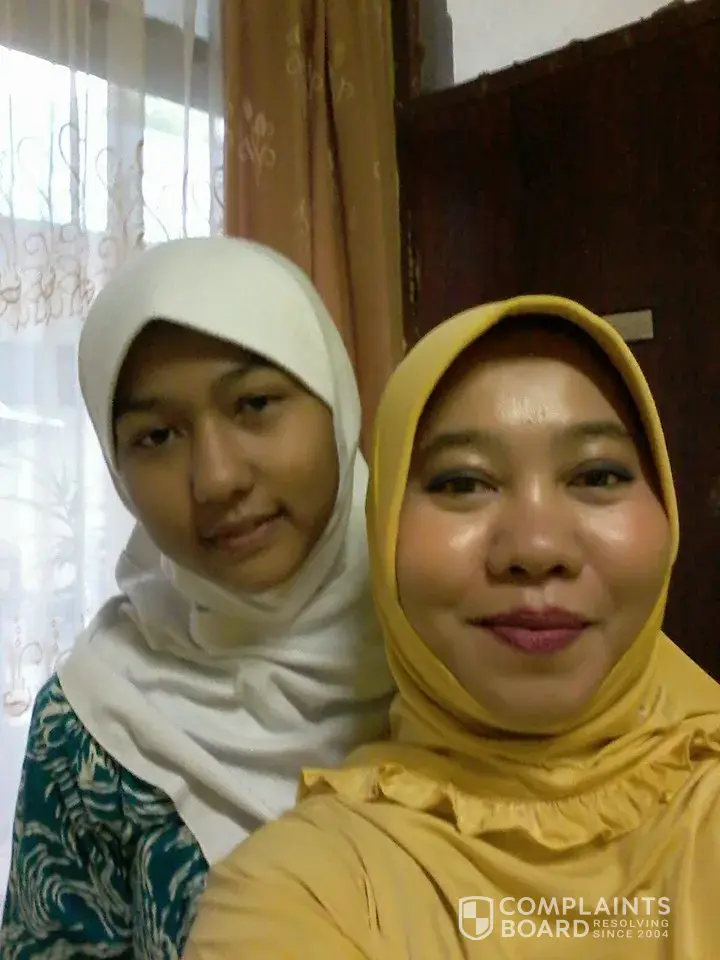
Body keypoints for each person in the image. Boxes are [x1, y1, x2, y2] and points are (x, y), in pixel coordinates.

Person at [183, 294, 720, 959]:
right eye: (464, 483)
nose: (537, 547)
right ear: (382, 531)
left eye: (597, 474)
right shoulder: (302, 891)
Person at [0, 237, 395, 958]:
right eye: (156, 436)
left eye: (255, 404)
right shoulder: (93, 724)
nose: (217, 479)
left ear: (336, 403)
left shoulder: (463, 645)